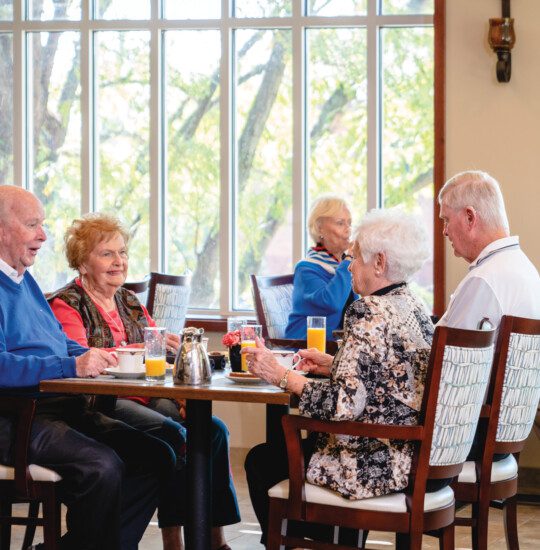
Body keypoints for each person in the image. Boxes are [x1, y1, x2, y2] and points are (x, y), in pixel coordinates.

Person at [48, 213, 239, 550]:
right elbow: (83, 362)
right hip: (100, 403)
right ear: (82, 261)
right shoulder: (67, 304)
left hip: (145, 395)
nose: (118, 261)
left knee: (212, 432)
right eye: (106, 254)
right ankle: (174, 540)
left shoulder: (129, 301)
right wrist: (140, 347)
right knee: (176, 436)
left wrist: (173, 353)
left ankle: (213, 540)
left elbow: (157, 350)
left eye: (122, 253)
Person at [0, 186, 175, 550]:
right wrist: (70, 364)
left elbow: (60, 343)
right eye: (33, 225)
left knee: (157, 455)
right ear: (1, 229)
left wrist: (97, 357)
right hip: (17, 417)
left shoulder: (24, 280)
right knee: (103, 467)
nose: (42, 236)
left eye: (42, 225)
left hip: (61, 406)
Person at [244, 208, 434, 544]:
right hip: (410, 454)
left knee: (262, 460)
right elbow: (392, 374)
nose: (349, 265)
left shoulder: (368, 311)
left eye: (355, 256)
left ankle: (314, 543)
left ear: (379, 262)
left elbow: (341, 405)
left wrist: (282, 375)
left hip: (371, 462)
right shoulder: (412, 305)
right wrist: (335, 364)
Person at [437, 170, 540, 329]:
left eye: (446, 220)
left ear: (470, 217)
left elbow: (453, 353)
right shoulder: (527, 269)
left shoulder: (483, 280)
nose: (444, 231)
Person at [285, 195, 356, 340]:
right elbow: (332, 302)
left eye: (350, 223)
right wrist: (349, 259)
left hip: (335, 348)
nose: (348, 230)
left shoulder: (342, 265)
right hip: (305, 349)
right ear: (319, 228)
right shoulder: (306, 269)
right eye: (340, 223)